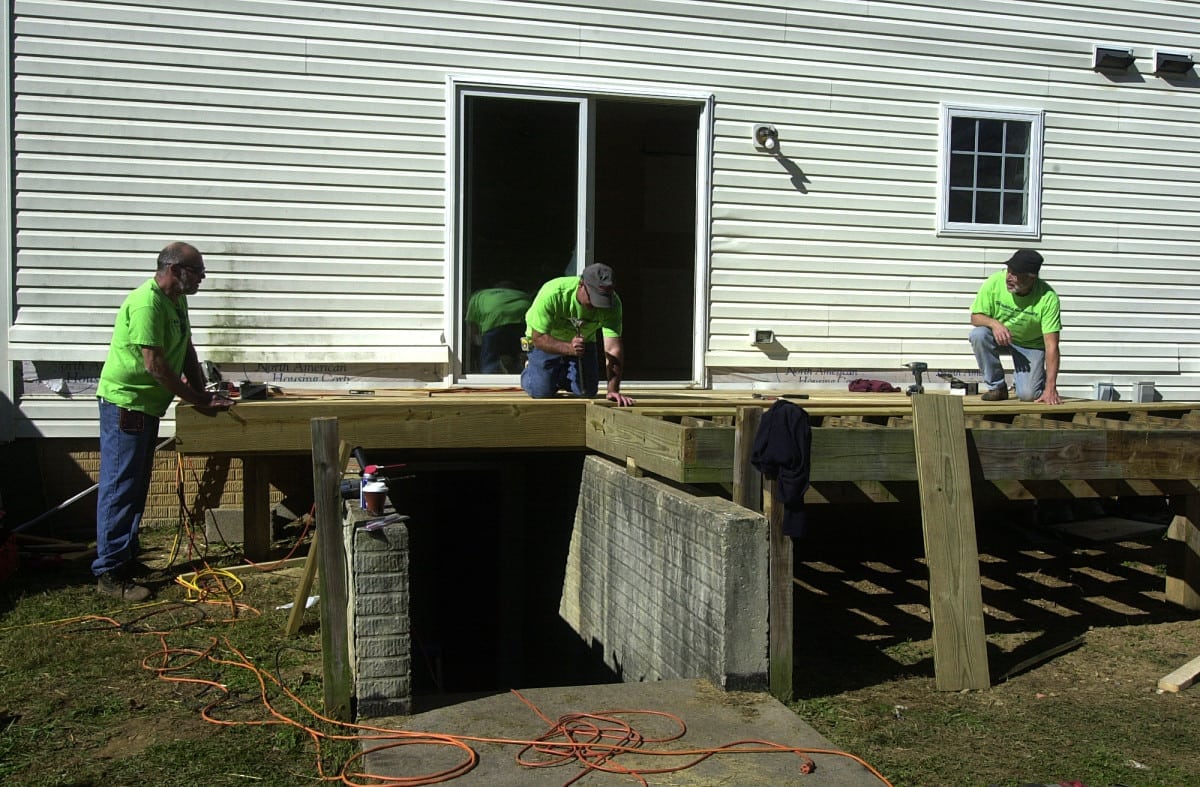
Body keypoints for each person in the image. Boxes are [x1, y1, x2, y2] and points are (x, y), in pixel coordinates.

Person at [93, 242, 234, 601]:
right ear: (174, 270)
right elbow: (155, 365)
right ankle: (109, 572)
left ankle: (126, 558)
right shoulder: (147, 303)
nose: (202, 278)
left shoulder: (176, 301)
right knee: (120, 487)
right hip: (126, 404)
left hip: (145, 406)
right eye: (197, 271)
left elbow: (186, 350)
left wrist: (202, 392)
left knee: (136, 485)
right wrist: (198, 400)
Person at [520, 263, 635, 406]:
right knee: (541, 392)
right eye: (593, 298)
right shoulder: (553, 293)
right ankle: (531, 371)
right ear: (581, 285)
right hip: (547, 340)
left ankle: (556, 373)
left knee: (586, 392)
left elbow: (613, 349)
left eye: (602, 300)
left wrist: (613, 390)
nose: (596, 305)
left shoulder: (613, 305)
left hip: (582, 343)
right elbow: (538, 338)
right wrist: (569, 348)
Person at [969, 248, 1062, 404]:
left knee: (1028, 395)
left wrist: (1051, 388)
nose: (1009, 277)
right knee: (978, 334)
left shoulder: (1048, 298)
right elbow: (975, 317)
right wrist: (994, 324)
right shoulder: (994, 282)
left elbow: (1052, 346)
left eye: (1015, 274)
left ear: (1031, 278)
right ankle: (997, 387)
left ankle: (1035, 381)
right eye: (1009, 271)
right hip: (1001, 338)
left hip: (1030, 345)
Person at [466, 281, 532, 373]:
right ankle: (521, 369)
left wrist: (475, 345)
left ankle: (490, 373)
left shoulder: (479, 296)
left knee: (490, 361)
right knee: (522, 356)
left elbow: (472, 328)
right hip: (522, 325)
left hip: (495, 328)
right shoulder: (523, 295)